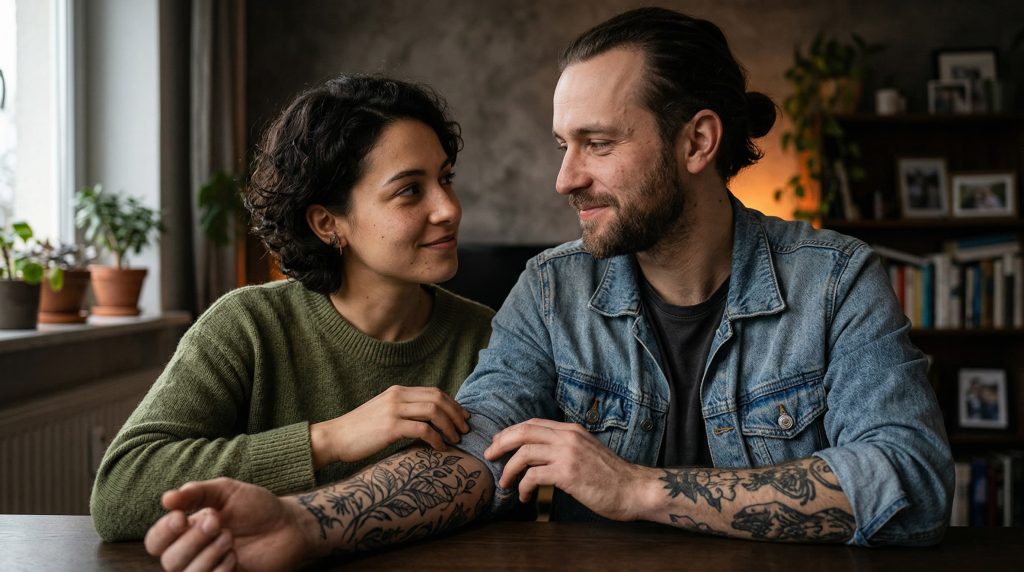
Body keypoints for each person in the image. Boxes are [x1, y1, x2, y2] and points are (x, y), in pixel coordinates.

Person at [143, 8, 953, 570]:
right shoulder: (550, 290)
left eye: (596, 143)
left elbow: (909, 483)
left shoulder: (836, 280)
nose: (565, 178)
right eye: (564, 144)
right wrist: (303, 523)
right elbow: (473, 464)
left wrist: (636, 488)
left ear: (699, 140)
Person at [89, 76, 495, 542]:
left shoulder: (486, 336)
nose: (448, 208)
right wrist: (330, 439)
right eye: (409, 190)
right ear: (327, 223)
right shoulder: (248, 326)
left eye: (445, 179)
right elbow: (119, 492)